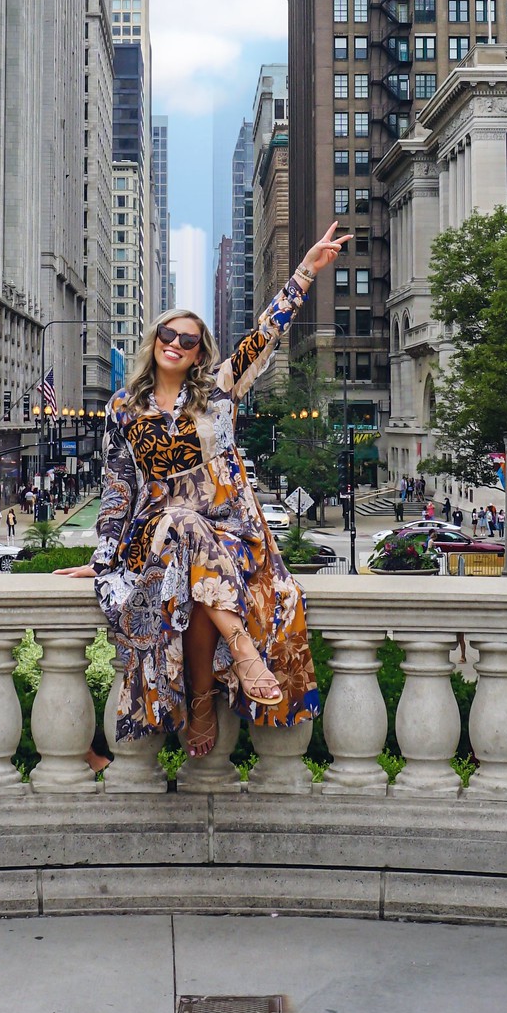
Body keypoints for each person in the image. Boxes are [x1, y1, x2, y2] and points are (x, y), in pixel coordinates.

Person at [77, 222, 351, 761]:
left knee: (201, 589)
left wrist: (304, 273)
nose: (176, 344)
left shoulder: (217, 394)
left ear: (200, 352)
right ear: (153, 342)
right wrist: (104, 557)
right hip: (159, 535)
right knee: (181, 522)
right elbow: (116, 488)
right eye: (167, 335)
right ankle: (246, 655)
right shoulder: (123, 409)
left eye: (189, 339)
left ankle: (202, 705)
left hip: (231, 536)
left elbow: (264, 335)